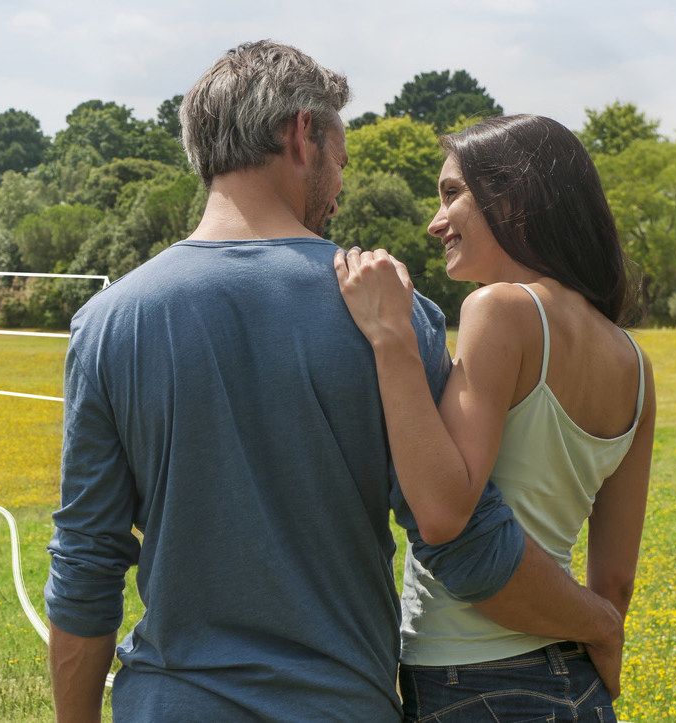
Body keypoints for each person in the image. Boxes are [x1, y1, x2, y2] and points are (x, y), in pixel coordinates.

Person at [44, 41, 622, 722]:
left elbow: (85, 560)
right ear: (301, 134)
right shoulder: (389, 309)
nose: (340, 186)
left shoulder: (107, 321)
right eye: (341, 161)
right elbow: (459, 540)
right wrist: (597, 620)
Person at [334, 114, 655, 720]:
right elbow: (613, 584)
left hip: (469, 683)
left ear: (516, 196)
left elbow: (442, 511)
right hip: (575, 681)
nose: (435, 224)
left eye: (451, 194)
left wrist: (389, 336)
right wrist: (602, 657)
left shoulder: (500, 310)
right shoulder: (634, 362)